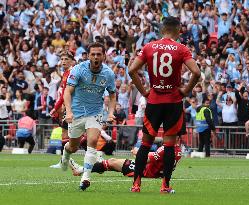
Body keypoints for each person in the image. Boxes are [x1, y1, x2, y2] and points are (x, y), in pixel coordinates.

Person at [128, 17, 201, 193]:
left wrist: (144, 91)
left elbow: (131, 70)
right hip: (173, 102)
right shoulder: (181, 49)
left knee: (145, 144)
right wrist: (185, 91)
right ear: (178, 31)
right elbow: (197, 72)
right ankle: (165, 186)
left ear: (162, 30)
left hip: (153, 100)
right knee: (169, 145)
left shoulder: (149, 47)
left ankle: (136, 185)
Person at [61, 42, 116, 191]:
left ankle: (86, 177)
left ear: (104, 56)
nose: (96, 57)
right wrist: (69, 111)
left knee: (92, 140)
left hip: (95, 112)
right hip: (77, 112)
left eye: (99, 54)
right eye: (93, 54)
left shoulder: (109, 73)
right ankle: (65, 156)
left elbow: (112, 95)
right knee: (73, 146)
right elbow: (67, 91)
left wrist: (110, 112)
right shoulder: (78, 69)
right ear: (88, 55)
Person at [68, 144, 182, 181]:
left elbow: (146, 159)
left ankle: (80, 170)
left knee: (112, 162)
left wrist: (138, 153)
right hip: (154, 171)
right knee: (110, 163)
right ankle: (99, 165)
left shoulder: (165, 148)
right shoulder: (178, 151)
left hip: (145, 170)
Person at [49, 51, 74, 168]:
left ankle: (96, 157)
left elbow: (66, 93)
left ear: (72, 61)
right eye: (62, 59)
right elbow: (63, 93)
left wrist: (56, 107)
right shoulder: (65, 73)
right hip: (68, 107)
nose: (63, 61)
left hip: (74, 107)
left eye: (66, 59)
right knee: (65, 132)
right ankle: (64, 162)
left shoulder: (72, 73)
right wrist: (57, 107)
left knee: (77, 135)